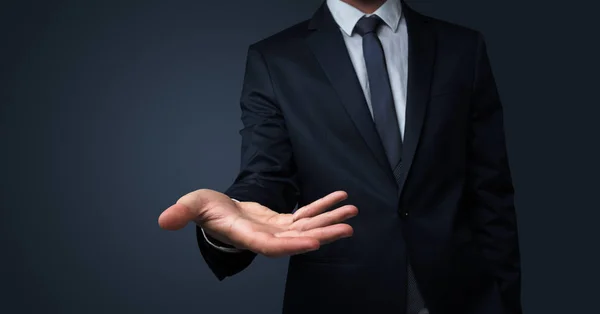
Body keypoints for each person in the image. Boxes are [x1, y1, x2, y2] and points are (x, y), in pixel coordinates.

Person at [158, 0, 522, 313]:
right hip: (338, 297)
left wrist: (504, 302)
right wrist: (231, 225)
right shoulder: (276, 58)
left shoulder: (462, 47)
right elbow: (267, 175)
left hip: (462, 296)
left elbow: (490, 191)